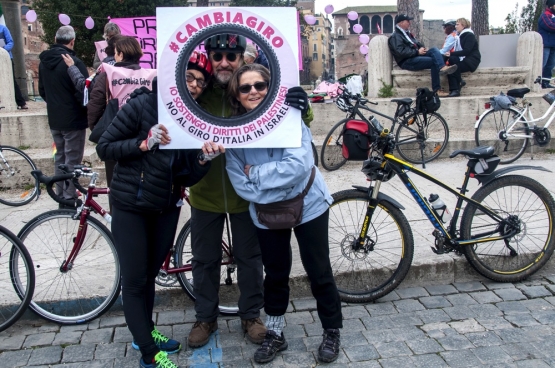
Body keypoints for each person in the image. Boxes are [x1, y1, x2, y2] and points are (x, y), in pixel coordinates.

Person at [97, 77, 224, 368]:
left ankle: (145, 332)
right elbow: (105, 147)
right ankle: (148, 354)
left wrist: (203, 161)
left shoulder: (192, 119)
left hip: (166, 207)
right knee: (134, 280)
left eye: (200, 82)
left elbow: (185, 175)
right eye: (188, 77)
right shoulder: (142, 104)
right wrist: (143, 144)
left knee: (149, 275)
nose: (194, 85)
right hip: (131, 205)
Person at [225, 63, 343, 364]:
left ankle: (331, 330)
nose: (253, 91)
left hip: (309, 204)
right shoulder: (233, 131)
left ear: (270, 87)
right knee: (275, 275)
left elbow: (300, 165)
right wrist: (273, 182)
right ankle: (275, 334)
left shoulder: (291, 118)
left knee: (319, 270)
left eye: (260, 85)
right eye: (245, 87)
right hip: (266, 212)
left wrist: (259, 174)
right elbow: (240, 182)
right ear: (237, 95)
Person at [187, 33, 266, 348]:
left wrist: (303, 104)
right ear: (209, 57)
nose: (223, 62)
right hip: (204, 191)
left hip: (243, 192)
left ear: (240, 59)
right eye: (217, 56)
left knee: (250, 258)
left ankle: (251, 316)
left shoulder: (250, 91)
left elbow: (284, 117)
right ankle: (205, 318)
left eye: (230, 57)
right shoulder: (196, 94)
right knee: (204, 260)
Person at [87, 35, 156, 191]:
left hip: (115, 134)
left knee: (116, 183)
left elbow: (95, 105)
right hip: (144, 135)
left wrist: (98, 129)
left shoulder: (108, 74)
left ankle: (117, 212)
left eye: (116, 53)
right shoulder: (152, 76)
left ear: (121, 55)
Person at [39, 25, 88, 206]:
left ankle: (60, 195)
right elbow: (83, 90)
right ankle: (69, 198)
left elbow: (42, 91)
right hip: (73, 118)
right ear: (72, 41)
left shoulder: (44, 62)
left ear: (55, 39)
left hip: (55, 117)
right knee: (73, 159)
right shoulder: (73, 62)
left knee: (59, 157)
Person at [388, 14, 458, 96]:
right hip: (406, 61)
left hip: (415, 55)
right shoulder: (396, 36)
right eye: (407, 21)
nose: (409, 23)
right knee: (433, 61)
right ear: (401, 23)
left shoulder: (407, 34)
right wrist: (417, 52)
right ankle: (437, 89)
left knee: (434, 50)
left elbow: (417, 44)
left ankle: (442, 67)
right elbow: (400, 52)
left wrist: (423, 49)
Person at [444, 18, 481, 97]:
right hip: (464, 59)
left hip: (471, 61)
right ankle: (459, 81)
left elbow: (467, 51)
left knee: (452, 68)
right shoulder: (459, 36)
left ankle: (455, 89)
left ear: (463, 26)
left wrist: (451, 53)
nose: (455, 26)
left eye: (457, 24)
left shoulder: (469, 35)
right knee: (451, 60)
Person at [0, 23, 27, 109]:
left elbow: (10, 42)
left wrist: (3, 50)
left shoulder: (3, 28)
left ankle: (21, 102)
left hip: (5, 58)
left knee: (11, 80)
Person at [539, 0, 555, 89]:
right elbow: (550, 26)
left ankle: (546, 82)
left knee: (550, 65)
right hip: (545, 44)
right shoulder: (545, 15)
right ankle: (537, 82)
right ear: (551, 6)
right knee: (542, 64)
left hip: (553, 45)